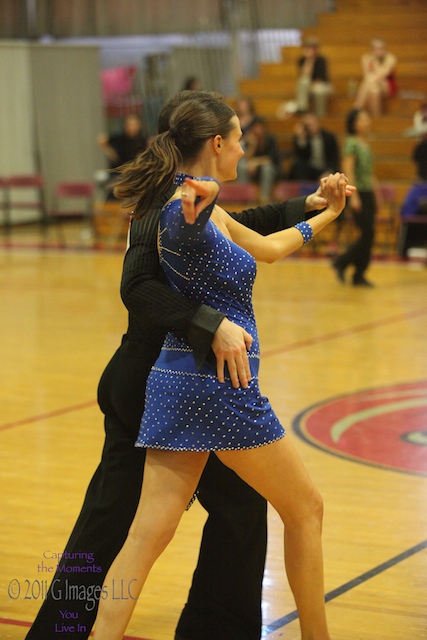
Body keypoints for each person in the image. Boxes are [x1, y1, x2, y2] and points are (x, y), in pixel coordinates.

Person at [26, 90, 337, 640]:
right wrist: (208, 323)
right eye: (236, 140)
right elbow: (137, 286)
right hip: (157, 376)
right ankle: (60, 630)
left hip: (177, 375)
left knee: (209, 515)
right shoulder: (165, 206)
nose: (242, 149)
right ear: (212, 142)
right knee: (115, 525)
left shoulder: (184, 197)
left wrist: (308, 208)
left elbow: (235, 229)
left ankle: (211, 628)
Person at [332, 108, 379, 287]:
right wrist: (354, 197)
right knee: (368, 234)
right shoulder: (351, 143)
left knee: (369, 235)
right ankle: (342, 262)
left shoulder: (365, 143)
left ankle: (358, 274)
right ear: (353, 123)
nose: (367, 121)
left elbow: (370, 173)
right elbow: (349, 170)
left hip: (368, 193)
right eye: (363, 119)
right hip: (359, 192)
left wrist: (378, 195)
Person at [97, 113, 148, 198]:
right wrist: (110, 153)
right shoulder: (119, 138)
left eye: (135, 125)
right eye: (130, 125)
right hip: (118, 172)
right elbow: (101, 140)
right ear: (125, 126)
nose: (132, 127)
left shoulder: (142, 140)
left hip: (135, 173)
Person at [237, 116, 283, 205]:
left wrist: (255, 163)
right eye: (256, 127)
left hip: (272, 170)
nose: (258, 130)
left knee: (267, 168)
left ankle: (265, 198)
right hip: (254, 170)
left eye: (260, 127)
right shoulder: (249, 139)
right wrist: (253, 145)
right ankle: (244, 196)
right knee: (242, 165)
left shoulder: (270, 139)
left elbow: (270, 159)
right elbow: (246, 158)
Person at [289, 112, 340, 181]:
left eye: (313, 124)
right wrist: (302, 138)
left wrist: (329, 171)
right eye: (308, 125)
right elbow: (300, 157)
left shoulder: (329, 137)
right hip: (309, 170)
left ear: (319, 124)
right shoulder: (302, 138)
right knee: (298, 167)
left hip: (325, 169)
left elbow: (334, 157)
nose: (311, 127)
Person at [353, 38, 397, 117]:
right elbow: (366, 75)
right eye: (375, 48)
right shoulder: (365, 58)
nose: (378, 51)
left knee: (370, 82)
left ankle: (356, 110)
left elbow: (381, 75)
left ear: (385, 49)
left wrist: (375, 61)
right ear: (371, 49)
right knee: (374, 91)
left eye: (381, 48)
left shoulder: (390, 58)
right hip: (373, 86)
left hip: (386, 86)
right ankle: (377, 119)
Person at [295, 37, 332, 118]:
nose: (311, 50)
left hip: (321, 85)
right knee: (304, 81)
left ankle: (320, 115)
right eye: (308, 47)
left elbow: (321, 79)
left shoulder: (321, 60)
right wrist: (309, 60)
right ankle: (302, 107)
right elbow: (304, 75)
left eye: (313, 47)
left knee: (319, 91)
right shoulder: (302, 60)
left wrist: (312, 86)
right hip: (308, 86)